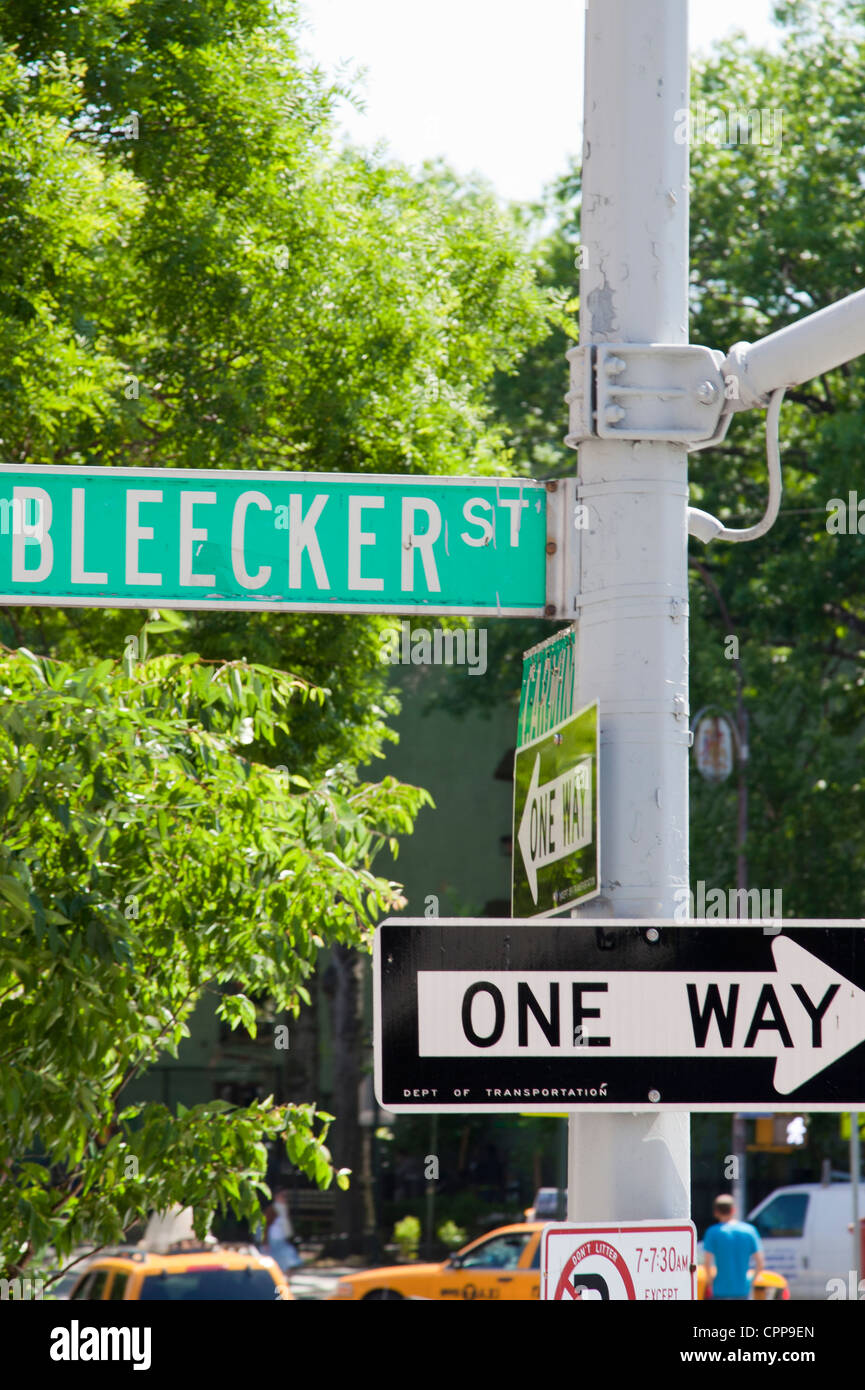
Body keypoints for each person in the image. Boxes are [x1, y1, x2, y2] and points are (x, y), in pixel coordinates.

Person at [703, 1193, 764, 1300]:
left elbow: (707, 1263)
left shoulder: (712, 1232)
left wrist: (711, 1282)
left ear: (716, 1212)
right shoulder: (749, 1231)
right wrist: (750, 1281)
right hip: (742, 1290)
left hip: (720, 1290)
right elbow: (760, 1263)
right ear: (733, 1210)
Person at [264, 1190, 302, 1272]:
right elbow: (266, 1226)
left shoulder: (284, 1208)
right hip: (274, 1237)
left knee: (284, 1257)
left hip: (282, 1237)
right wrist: (265, 1241)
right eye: (282, 1196)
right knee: (280, 1257)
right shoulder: (272, 1209)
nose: (285, 1199)